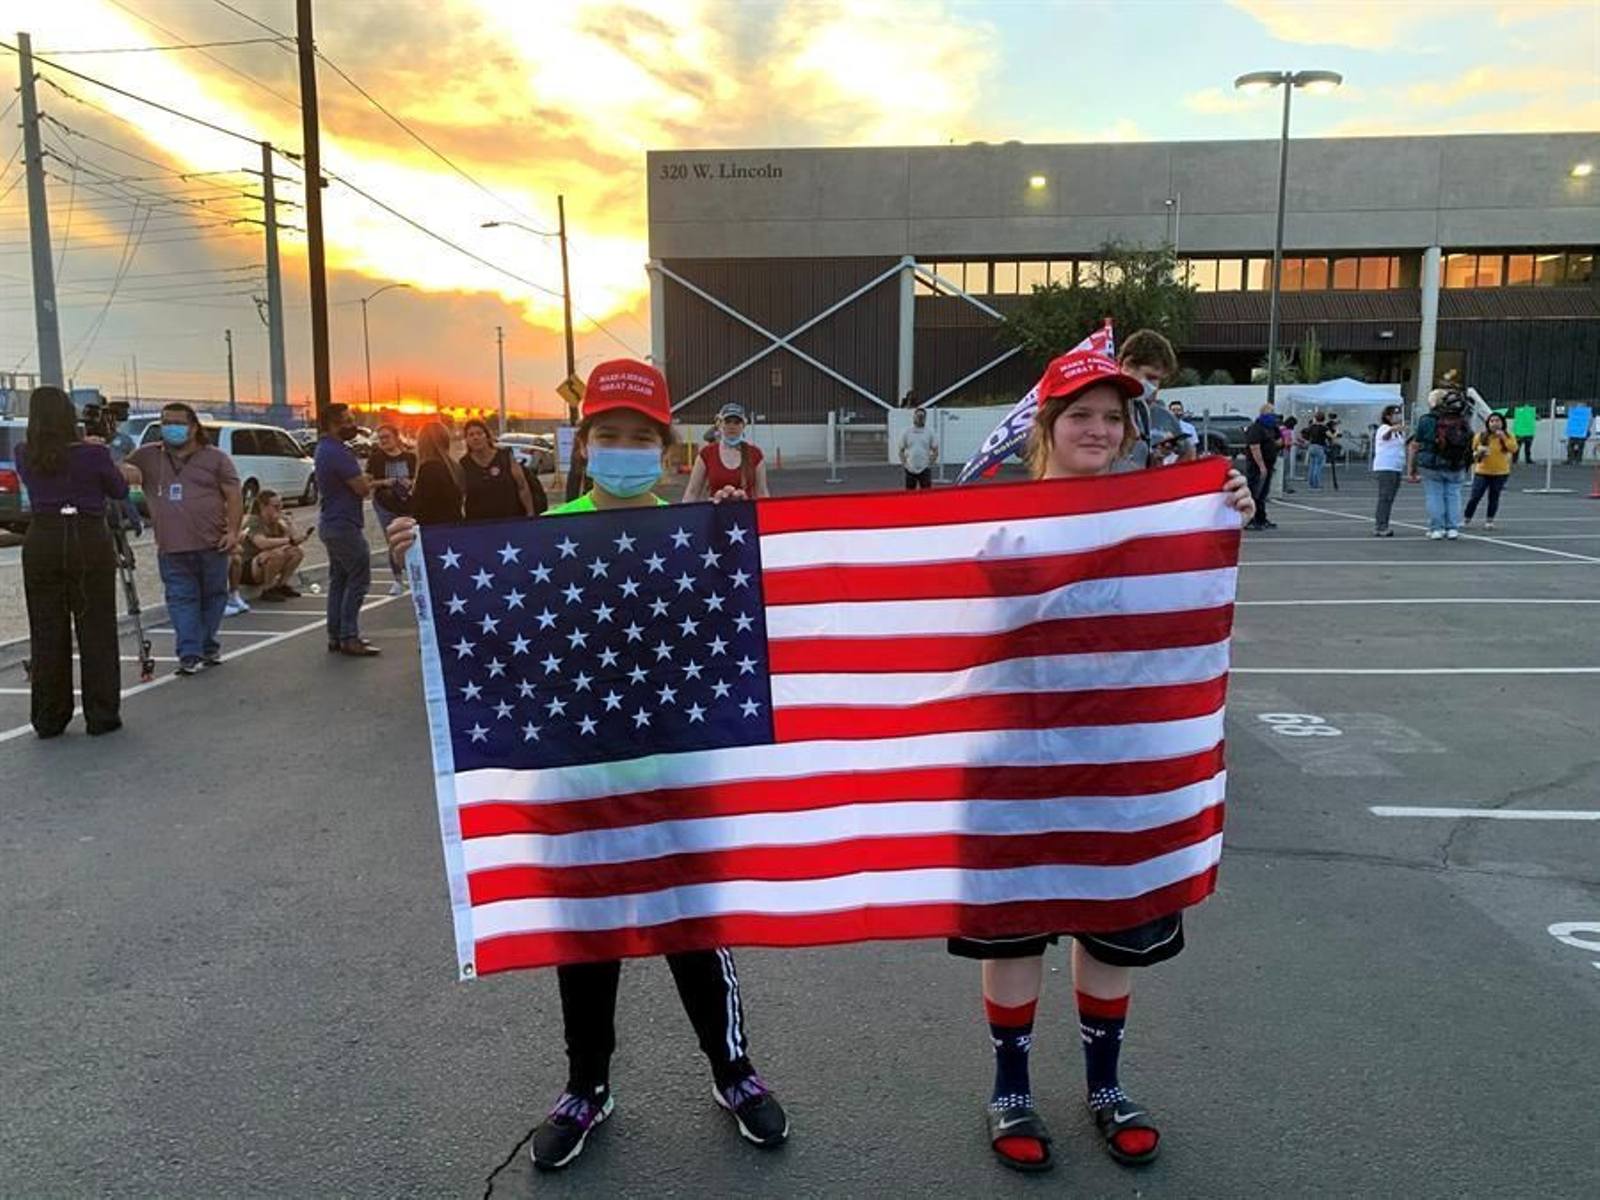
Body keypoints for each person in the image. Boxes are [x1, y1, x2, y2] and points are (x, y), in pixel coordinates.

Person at [386, 360, 790, 1172]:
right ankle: (586, 1085)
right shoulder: (543, 538)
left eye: (642, 438)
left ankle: (734, 1072)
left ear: (669, 452)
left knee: (695, 933)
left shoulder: (693, 534)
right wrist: (420, 564)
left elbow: (742, 635)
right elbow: (490, 628)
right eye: (609, 435)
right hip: (573, 777)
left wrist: (733, 544)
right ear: (585, 447)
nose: (624, 450)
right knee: (586, 938)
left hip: (675, 779)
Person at [950, 346, 1254, 1175]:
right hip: (1011, 758)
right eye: (1079, 414)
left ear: (1130, 431)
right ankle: (1011, 1087)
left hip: (1118, 756)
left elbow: (1188, 606)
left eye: (1113, 417)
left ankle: (1103, 1084)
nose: (1098, 428)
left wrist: (1221, 511)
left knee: (1114, 926)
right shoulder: (990, 518)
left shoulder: (1158, 514)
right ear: (1043, 428)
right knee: (1013, 930)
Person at [16, 386, 129, 736]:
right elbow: (120, 490)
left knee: (47, 629)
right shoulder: (92, 455)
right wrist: (101, 450)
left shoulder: (24, 453)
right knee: (96, 627)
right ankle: (101, 713)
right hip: (87, 536)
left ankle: (49, 716)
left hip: (42, 538)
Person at [121, 402, 242, 675]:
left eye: (177, 422)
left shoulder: (216, 459)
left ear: (193, 427)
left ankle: (207, 645)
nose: (170, 428)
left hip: (212, 544)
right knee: (181, 600)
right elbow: (119, 467)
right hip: (172, 548)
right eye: (166, 422)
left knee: (213, 599)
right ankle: (189, 653)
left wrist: (233, 532)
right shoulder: (148, 456)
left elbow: (233, 496)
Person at [315, 402, 391, 657]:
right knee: (359, 578)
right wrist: (366, 481)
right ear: (333, 424)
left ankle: (335, 634)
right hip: (344, 524)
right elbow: (360, 488)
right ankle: (349, 635)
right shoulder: (337, 452)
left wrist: (362, 480)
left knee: (339, 580)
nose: (352, 425)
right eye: (346, 421)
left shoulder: (324, 449)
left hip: (331, 522)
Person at [1407, 388, 1474, 540]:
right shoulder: (1462, 419)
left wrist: (1412, 468)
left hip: (1431, 463)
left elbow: (1415, 444)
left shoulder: (1427, 420)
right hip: (1456, 463)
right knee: (1453, 495)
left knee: (1434, 495)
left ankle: (1437, 528)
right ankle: (1452, 528)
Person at [367, 424, 417, 596]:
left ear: (396, 437)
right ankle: (397, 580)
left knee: (411, 540)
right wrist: (384, 482)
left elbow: (418, 478)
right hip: (385, 505)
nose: (383, 441)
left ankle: (414, 576)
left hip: (408, 505)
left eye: (387, 437)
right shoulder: (375, 459)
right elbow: (368, 483)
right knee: (393, 542)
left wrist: (411, 483)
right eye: (380, 438)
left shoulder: (410, 458)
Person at [684, 402, 769, 502]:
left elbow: (762, 492)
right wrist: (683, 515)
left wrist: (768, 516)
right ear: (720, 424)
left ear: (744, 425)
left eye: (737, 422)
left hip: (746, 514)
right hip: (715, 515)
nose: (732, 426)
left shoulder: (755, 454)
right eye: (727, 421)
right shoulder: (706, 454)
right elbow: (692, 491)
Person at [460, 418, 542, 521]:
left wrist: (530, 513)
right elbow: (461, 495)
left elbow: (522, 486)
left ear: (487, 437)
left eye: (479, 433)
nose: (475, 437)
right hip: (478, 524)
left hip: (509, 520)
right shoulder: (464, 464)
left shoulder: (505, 457)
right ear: (466, 440)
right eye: (471, 435)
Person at [239, 490, 308, 600]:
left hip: (265, 562)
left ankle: (281, 585)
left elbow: (295, 540)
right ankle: (268, 588)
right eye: (275, 507)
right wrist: (289, 540)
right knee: (276, 554)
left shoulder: (277, 522)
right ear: (263, 506)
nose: (279, 510)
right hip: (248, 566)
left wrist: (290, 523)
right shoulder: (254, 520)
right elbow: (262, 543)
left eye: (280, 506)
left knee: (296, 551)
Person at [404, 420, 465, 526]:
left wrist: (408, 494)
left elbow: (420, 508)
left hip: (435, 529)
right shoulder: (453, 466)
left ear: (422, 443)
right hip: (454, 523)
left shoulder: (428, 468)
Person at [1463, 411, 1517, 530]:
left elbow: (1513, 449)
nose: (1495, 424)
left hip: (1500, 472)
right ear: (1488, 423)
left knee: (1494, 497)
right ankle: (1467, 518)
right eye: (1492, 421)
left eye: (1498, 421)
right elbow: (1472, 451)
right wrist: (1478, 453)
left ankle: (1489, 520)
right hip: (1482, 471)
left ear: (1503, 423)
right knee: (1475, 496)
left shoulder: (1508, 436)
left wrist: (1503, 438)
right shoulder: (1481, 435)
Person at [1371, 404, 1407, 537]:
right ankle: (1381, 526)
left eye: (1399, 414)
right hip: (1385, 467)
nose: (1398, 417)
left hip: (1396, 466)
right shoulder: (1384, 428)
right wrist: (1392, 429)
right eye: (1395, 414)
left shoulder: (1399, 432)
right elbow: (1385, 436)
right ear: (1388, 417)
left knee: (1390, 497)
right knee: (1385, 497)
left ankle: (1383, 523)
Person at [1243, 402, 1280, 530]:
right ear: (1264, 413)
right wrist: (1261, 466)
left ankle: (1261, 518)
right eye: (1271, 413)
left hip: (1269, 464)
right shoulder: (1256, 428)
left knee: (1263, 494)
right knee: (1254, 493)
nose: (1273, 415)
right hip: (1257, 466)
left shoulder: (1271, 427)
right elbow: (1255, 448)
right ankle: (1250, 520)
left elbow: (1279, 439)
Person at [899, 406, 938, 489]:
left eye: (922, 416)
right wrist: (905, 464)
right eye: (918, 416)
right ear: (914, 417)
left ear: (925, 418)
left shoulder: (930, 432)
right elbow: (901, 450)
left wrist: (931, 463)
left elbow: (935, 450)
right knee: (910, 496)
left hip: (925, 469)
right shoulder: (907, 432)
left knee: (926, 496)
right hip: (910, 469)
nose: (920, 418)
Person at [1303, 411, 1330, 490]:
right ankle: (1316, 485)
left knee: (1312, 466)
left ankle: (1311, 485)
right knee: (1318, 467)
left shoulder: (1311, 426)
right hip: (1319, 447)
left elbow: (1306, 435)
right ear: (1324, 419)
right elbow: (1330, 436)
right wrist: (1336, 433)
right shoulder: (1324, 427)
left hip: (1311, 447)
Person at [1278, 415, 1299, 492]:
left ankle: (1280, 486)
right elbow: (1287, 443)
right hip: (1285, 451)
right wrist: (1294, 443)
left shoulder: (1280, 429)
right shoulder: (1288, 431)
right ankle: (1285, 487)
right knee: (1284, 470)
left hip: (1278, 450)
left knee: (1279, 469)